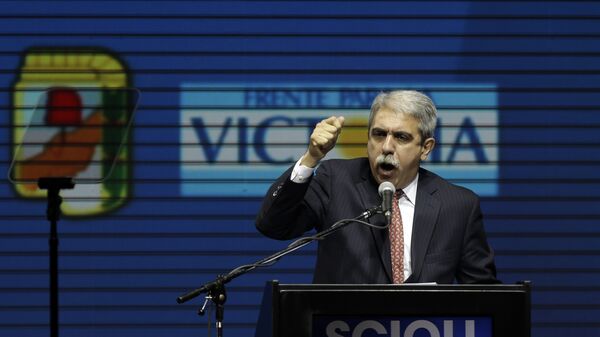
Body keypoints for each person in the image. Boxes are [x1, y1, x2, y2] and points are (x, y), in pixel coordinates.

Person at [255, 90, 499, 284]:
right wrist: (311, 157)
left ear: (426, 148)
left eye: (401, 137)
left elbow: (484, 295)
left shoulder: (457, 205)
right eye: (379, 134)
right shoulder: (336, 180)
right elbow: (273, 225)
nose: (386, 147)